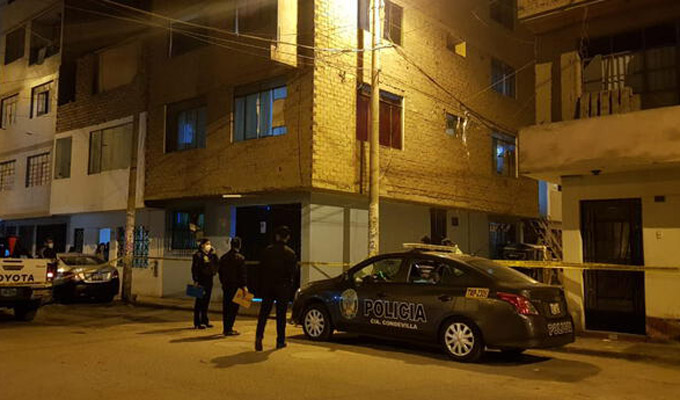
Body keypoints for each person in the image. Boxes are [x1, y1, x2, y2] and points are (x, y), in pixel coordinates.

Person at [255, 226, 297, 351]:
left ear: (277, 236)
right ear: (287, 237)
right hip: (282, 287)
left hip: (268, 286)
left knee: (264, 313)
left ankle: (259, 337)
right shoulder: (290, 253)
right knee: (281, 315)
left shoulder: (267, 251)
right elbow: (292, 272)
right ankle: (280, 341)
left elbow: (261, 269)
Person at [218, 237, 247, 336]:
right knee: (234, 308)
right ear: (239, 245)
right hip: (236, 286)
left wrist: (223, 282)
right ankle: (229, 328)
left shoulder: (224, 257)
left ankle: (226, 328)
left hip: (226, 286)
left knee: (226, 307)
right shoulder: (240, 258)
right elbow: (242, 274)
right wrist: (244, 285)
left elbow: (220, 272)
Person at [191, 238, 219, 329]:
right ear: (202, 245)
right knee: (199, 302)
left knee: (206, 301)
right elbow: (194, 269)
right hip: (201, 281)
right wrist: (195, 280)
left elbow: (216, 264)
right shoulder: (198, 255)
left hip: (209, 280)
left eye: (209, 244)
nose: (209, 246)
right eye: (207, 244)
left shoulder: (211, 255)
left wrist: (214, 254)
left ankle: (204, 320)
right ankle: (197, 322)